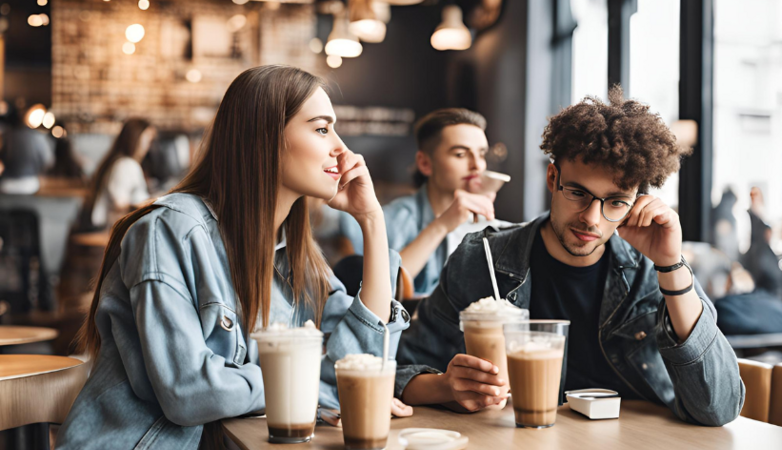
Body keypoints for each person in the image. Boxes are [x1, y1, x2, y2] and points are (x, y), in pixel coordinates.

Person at [56, 65, 411, 449]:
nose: (342, 150)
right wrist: (307, 382)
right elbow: (189, 392)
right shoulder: (171, 230)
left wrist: (372, 223)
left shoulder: (296, 256)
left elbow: (358, 364)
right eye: (322, 129)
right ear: (265, 137)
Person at [395, 87, 745, 426]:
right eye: (578, 192)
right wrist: (445, 386)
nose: (592, 218)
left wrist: (671, 264)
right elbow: (395, 370)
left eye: (616, 201)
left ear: (634, 202)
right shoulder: (483, 258)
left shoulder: (651, 271)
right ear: (552, 177)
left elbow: (720, 407)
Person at [342, 108, 509, 297]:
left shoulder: (488, 226)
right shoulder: (393, 219)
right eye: (461, 154)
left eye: (481, 154)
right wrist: (441, 225)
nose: (477, 166)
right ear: (425, 164)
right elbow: (381, 290)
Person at [77, 118, 156, 230]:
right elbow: (119, 204)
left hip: (108, 228)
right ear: (137, 139)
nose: (149, 147)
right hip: (108, 230)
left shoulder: (120, 162)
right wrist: (150, 204)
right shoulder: (125, 165)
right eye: (148, 140)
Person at [0, 106, 53, 194]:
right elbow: (48, 161)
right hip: (30, 184)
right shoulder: (37, 136)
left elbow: (2, 156)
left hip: (7, 184)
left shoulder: (6, 136)